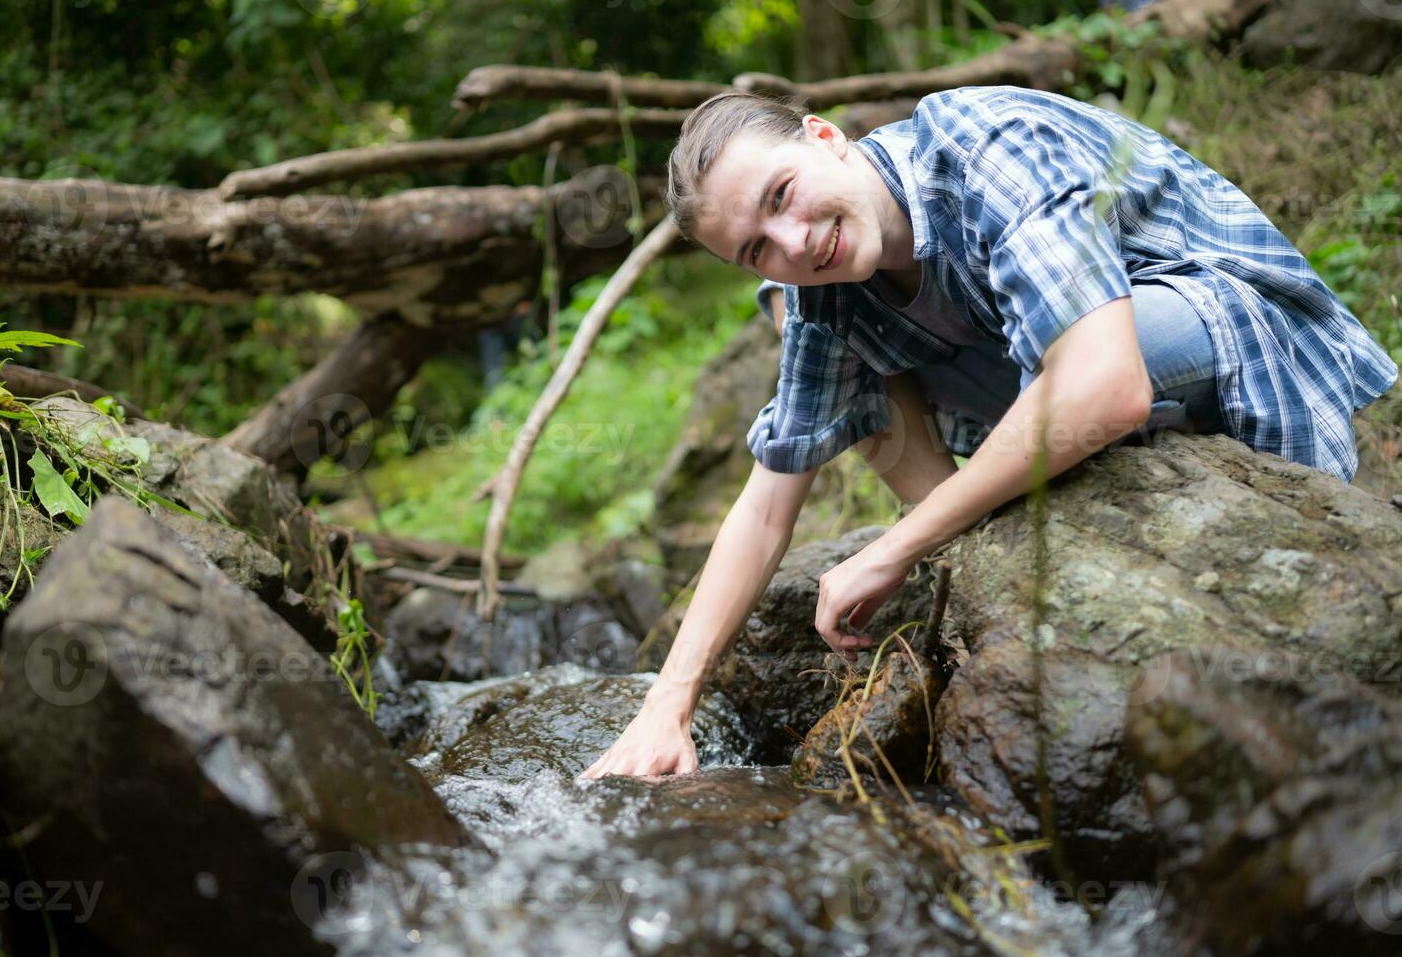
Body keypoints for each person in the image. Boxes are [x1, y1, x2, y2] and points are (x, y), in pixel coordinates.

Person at [578, 86, 1398, 780]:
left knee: (1076, 373)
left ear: (825, 140)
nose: (794, 243)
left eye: (781, 195)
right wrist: (666, 708)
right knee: (822, 331)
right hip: (1066, 379)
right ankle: (965, 530)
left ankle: (942, 523)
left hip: (1221, 318)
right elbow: (765, 506)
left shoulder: (983, 146)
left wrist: (893, 548)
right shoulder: (822, 288)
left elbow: (1105, 385)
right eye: (758, 247)